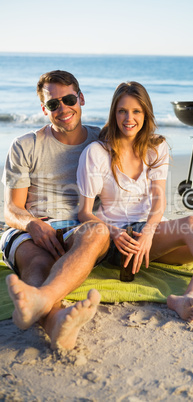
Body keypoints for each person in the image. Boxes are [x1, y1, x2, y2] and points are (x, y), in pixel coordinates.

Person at [77, 81, 193, 322]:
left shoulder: (156, 147)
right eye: (122, 111)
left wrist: (148, 232)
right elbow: (84, 212)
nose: (129, 118)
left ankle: (189, 298)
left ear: (146, 114)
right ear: (113, 113)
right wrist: (114, 233)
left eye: (136, 111)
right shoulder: (97, 152)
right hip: (121, 240)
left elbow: (158, 202)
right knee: (190, 222)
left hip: (151, 235)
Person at [1, 70, 110, 350]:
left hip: (79, 230)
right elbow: (11, 208)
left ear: (81, 98)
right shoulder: (26, 145)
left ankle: (41, 302)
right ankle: (56, 321)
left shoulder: (103, 143)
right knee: (38, 264)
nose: (63, 108)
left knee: (98, 231)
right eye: (53, 104)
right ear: (44, 109)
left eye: (69, 99)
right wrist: (33, 225)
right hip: (34, 227)